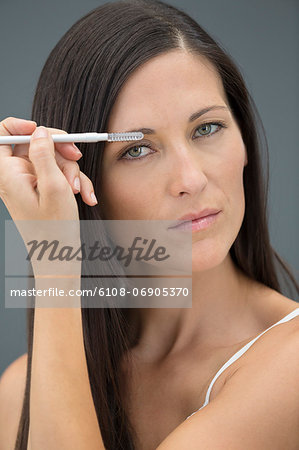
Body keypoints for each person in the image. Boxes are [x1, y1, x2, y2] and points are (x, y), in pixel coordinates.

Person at [0, 0, 298, 449]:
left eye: (207, 129)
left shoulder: (290, 366)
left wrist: (55, 260)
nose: (191, 180)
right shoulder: (20, 390)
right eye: (137, 150)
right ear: (80, 179)